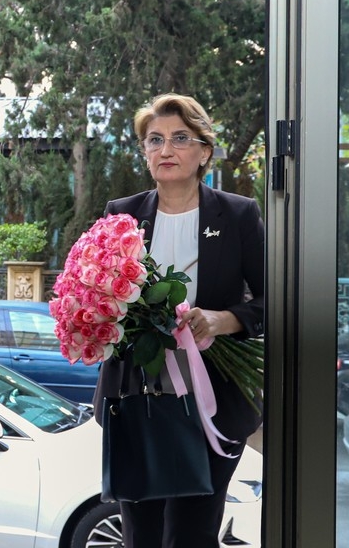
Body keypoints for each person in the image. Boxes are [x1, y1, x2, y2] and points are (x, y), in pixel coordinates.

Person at [92, 93, 265, 548]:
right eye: (155, 139)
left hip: (215, 398)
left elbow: (274, 300)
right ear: (145, 151)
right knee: (141, 536)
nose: (166, 149)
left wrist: (225, 319)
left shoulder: (238, 214)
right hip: (136, 396)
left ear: (204, 151)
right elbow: (95, 294)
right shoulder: (121, 214)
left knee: (192, 535)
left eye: (180, 138)